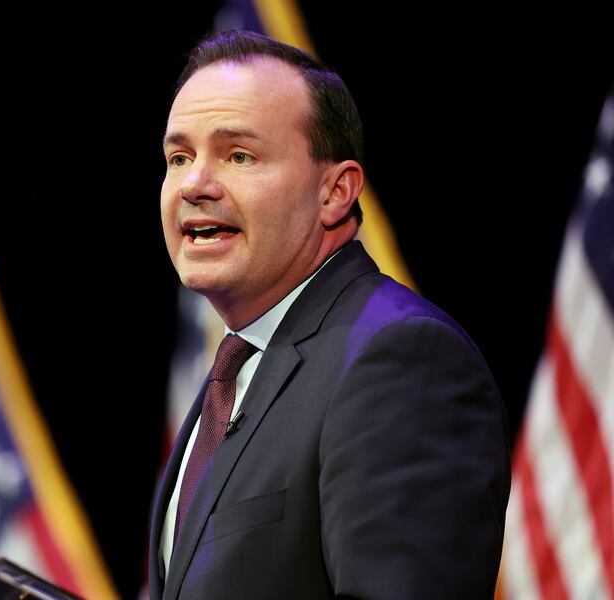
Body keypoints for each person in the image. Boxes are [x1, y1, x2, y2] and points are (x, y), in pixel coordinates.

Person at [149, 29, 510, 600]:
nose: (194, 184)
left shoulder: (401, 361)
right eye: (179, 157)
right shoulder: (237, 368)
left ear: (335, 192)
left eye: (239, 155)